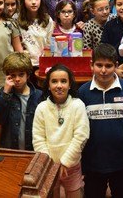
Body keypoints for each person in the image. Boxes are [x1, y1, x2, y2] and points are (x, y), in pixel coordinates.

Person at [78, 43, 123, 198]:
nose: (104, 70)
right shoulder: (83, 92)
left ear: (116, 66)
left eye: (108, 65)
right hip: (93, 162)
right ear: (91, 65)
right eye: (99, 65)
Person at [33, 64, 90, 198]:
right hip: (49, 166)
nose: (59, 85)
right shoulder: (41, 108)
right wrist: (50, 165)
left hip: (72, 165)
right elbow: (38, 139)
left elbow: (81, 136)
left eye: (63, 81)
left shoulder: (78, 105)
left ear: (70, 84)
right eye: (54, 81)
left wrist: (65, 162)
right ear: (48, 85)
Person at [0, 52, 43, 150]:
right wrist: (6, 93)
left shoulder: (39, 95)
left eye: (21, 75)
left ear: (28, 75)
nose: (17, 79)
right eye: (13, 75)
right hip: (11, 149)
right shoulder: (4, 93)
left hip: (33, 149)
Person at [17, 0, 53, 70]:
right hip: (24, 64)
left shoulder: (47, 20)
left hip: (42, 64)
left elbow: (49, 44)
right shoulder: (17, 20)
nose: (33, 2)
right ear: (23, 1)